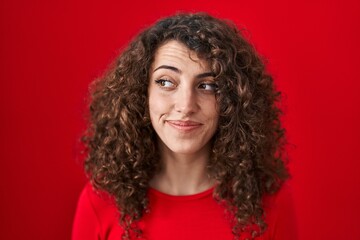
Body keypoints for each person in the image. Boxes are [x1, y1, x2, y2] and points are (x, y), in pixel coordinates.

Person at [72, 12, 297, 240]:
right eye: (166, 82)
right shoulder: (100, 202)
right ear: (142, 93)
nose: (186, 105)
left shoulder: (269, 203)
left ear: (232, 100)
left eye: (207, 86)